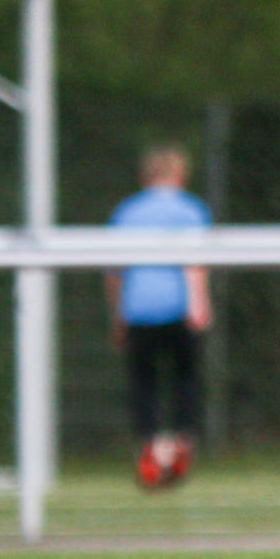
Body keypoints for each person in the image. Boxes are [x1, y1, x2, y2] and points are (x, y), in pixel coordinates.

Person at [107, 144, 212, 489]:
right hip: (179, 306)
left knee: (144, 382)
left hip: (138, 307)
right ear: (180, 175)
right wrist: (200, 303)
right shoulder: (190, 209)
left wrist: (118, 316)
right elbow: (195, 262)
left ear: (145, 176)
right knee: (185, 378)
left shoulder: (127, 211)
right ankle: (181, 442)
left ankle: (150, 446)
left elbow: (114, 271)